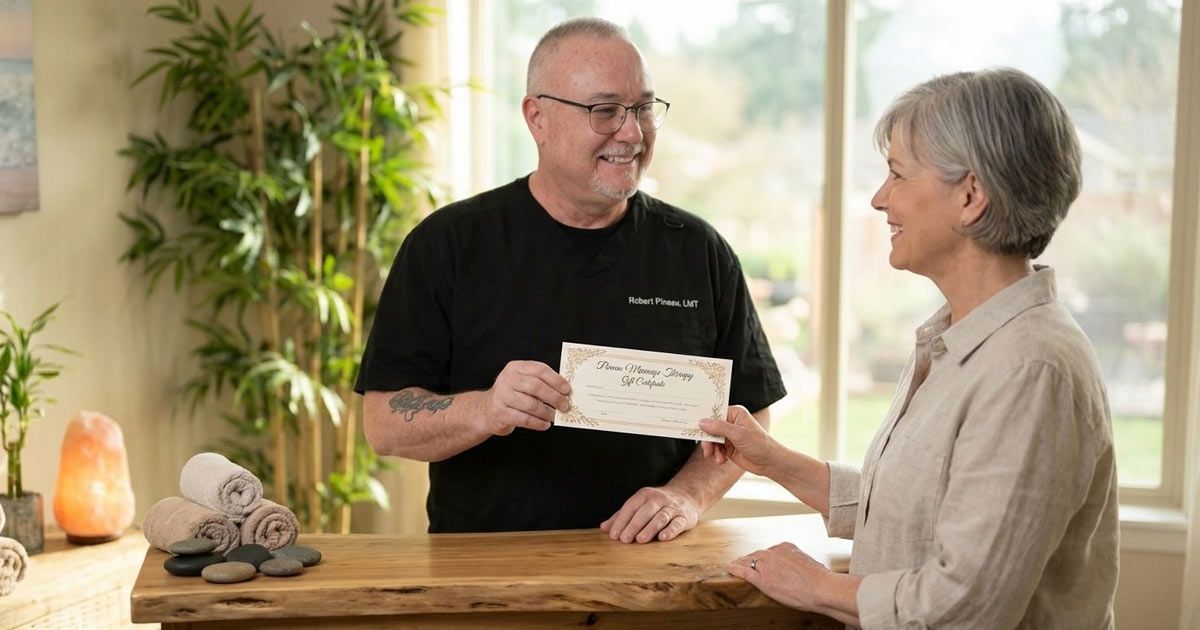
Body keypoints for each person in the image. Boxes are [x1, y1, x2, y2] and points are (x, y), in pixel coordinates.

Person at [700, 68, 1119, 628]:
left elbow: (968, 604)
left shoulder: (1030, 369)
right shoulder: (960, 340)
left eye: (897, 174)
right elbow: (908, 511)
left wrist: (819, 587)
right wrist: (771, 460)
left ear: (971, 196)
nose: (878, 198)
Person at [356, 17, 786, 541]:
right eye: (605, 111)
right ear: (537, 118)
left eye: (644, 109)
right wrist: (486, 409)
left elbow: (752, 412)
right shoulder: (448, 245)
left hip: (653, 574)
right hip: (485, 576)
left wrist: (687, 494)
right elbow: (382, 423)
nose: (631, 132)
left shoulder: (698, 250)